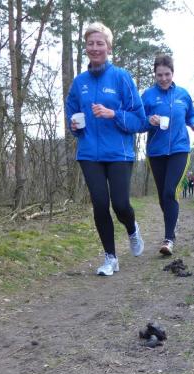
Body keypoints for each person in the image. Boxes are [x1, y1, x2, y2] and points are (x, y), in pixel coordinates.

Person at [65, 22, 147, 276]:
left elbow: (140, 120)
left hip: (119, 153)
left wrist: (114, 114)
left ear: (109, 48)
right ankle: (110, 257)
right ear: (86, 48)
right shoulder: (79, 82)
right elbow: (72, 113)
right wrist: (74, 126)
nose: (95, 48)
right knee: (100, 204)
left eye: (100, 43)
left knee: (120, 205)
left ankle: (132, 228)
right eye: (90, 43)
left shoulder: (121, 77)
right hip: (89, 153)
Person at [141, 54, 194, 256]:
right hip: (156, 152)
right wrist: (149, 120)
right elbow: (138, 121)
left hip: (179, 149)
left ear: (173, 73)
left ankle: (169, 239)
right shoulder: (148, 95)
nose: (164, 78)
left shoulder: (183, 94)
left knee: (170, 191)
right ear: (155, 75)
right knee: (162, 197)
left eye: (167, 74)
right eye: (159, 75)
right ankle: (172, 225)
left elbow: (191, 115)